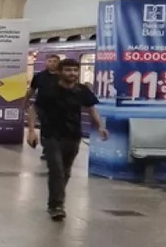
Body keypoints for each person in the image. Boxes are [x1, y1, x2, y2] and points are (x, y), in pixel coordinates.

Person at [26, 57, 108, 220]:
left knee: (65, 171)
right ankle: (56, 205)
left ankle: (56, 199)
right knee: (56, 170)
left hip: (73, 135)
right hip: (51, 135)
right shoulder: (49, 90)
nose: (72, 73)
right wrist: (31, 131)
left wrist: (100, 126)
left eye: (75, 70)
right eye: (68, 70)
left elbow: (91, 110)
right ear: (60, 72)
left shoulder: (82, 91)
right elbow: (34, 109)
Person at [28, 54, 60, 161]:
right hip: (43, 107)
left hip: (60, 107)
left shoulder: (63, 76)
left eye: (55, 61)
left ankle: (55, 150)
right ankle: (47, 150)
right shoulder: (39, 76)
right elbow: (31, 90)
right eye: (50, 61)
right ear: (46, 62)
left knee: (58, 128)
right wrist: (25, 100)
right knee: (46, 128)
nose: (52, 63)